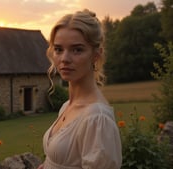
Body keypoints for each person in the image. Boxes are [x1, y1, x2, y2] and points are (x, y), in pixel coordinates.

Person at [37, 9, 122, 169]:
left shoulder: (97, 119)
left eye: (77, 50)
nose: (65, 59)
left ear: (96, 55)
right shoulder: (66, 106)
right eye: (58, 49)